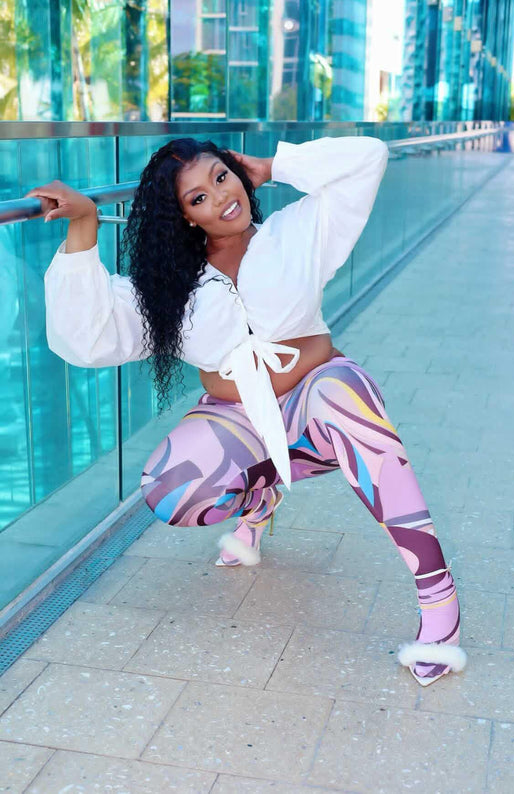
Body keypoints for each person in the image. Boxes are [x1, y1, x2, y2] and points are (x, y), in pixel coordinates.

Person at [29, 134, 466, 686]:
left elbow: (368, 159)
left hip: (318, 397)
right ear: (185, 217)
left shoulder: (296, 232)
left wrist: (276, 164)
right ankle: (260, 497)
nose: (219, 197)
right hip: (241, 419)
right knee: (172, 487)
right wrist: (84, 223)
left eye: (221, 176)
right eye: (198, 198)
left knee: (345, 402)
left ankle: (438, 599)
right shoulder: (168, 290)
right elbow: (86, 337)